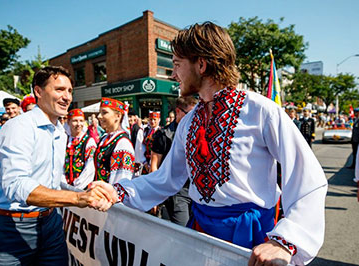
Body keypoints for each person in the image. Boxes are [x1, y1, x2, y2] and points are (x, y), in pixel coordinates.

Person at [96, 22, 328, 265]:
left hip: (250, 238)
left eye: (176, 64)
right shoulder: (190, 121)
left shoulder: (260, 110)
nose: (173, 75)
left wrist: (283, 241)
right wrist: (118, 191)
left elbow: (307, 177)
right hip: (199, 233)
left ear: (201, 64)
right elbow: (166, 178)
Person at [0, 66, 116, 265]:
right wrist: (77, 197)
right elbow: (15, 185)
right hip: (12, 227)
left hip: (51, 222)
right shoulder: (19, 127)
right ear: (38, 91)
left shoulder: (60, 131)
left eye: (70, 91)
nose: (67, 97)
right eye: (59, 89)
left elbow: (51, 180)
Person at [151, 96, 198, 226]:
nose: (195, 117)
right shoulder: (163, 134)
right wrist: (155, 196)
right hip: (176, 191)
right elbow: (154, 166)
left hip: (195, 191)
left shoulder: (195, 132)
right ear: (178, 111)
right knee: (183, 231)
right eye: (190, 114)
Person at [94, 98, 135, 184]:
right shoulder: (104, 138)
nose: (99, 116)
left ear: (118, 116)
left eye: (104, 112)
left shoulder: (123, 143)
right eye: (100, 112)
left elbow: (121, 181)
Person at [62, 109, 97, 191]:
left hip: (82, 189)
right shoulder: (64, 140)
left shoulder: (89, 141)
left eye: (81, 121)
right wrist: (64, 184)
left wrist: (77, 187)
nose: (78, 124)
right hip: (65, 188)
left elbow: (90, 168)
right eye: (75, 121)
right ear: (68, 122)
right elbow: (59, 164)